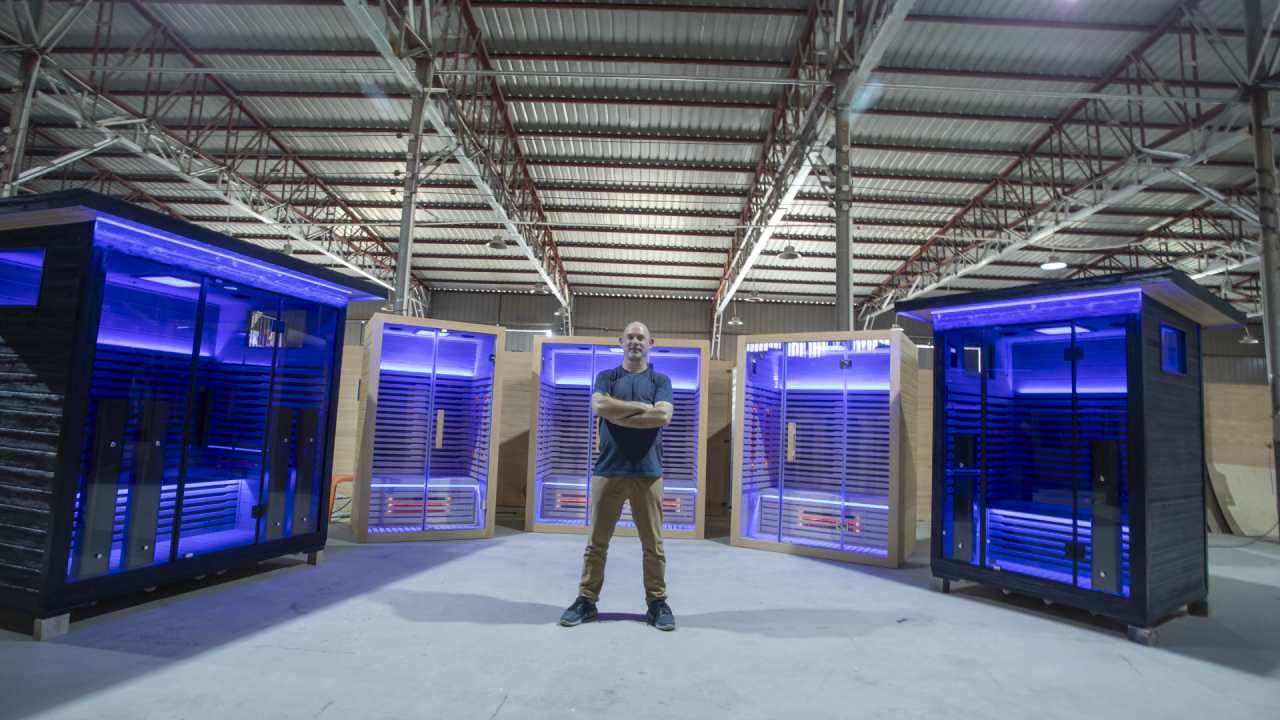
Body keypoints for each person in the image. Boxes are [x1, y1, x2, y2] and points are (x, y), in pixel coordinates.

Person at [559, 321, 676, 631]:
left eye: (641, 337)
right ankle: (586, 600)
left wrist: (618, 413)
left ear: (651, 342)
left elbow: (662, 415)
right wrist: (640, 409)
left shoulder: (660, 379)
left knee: (654, 545)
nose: (635, 341)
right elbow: (599, 405)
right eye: (630, 337)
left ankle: (657, 602)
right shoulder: (607, 377)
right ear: (621, 341)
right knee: (596, 543)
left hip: (648, 472)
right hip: (608, 471)